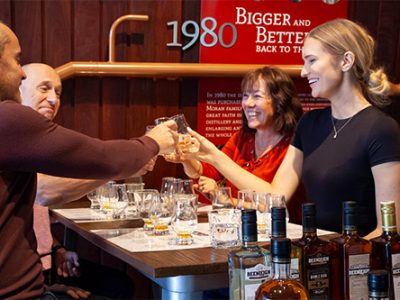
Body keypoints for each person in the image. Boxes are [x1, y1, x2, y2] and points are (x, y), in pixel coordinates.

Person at [0, 21, 178, 299]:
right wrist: (153, 142)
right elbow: (103, 159)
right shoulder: (8, 119)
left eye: (57, 91)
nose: (21, 73)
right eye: (16, 59)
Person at [181, 18, 400, 239]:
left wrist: (342, 258)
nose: (304, 72)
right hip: (313, 254)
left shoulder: (381, 129)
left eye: (311, 60)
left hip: (355, 263)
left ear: (346, 61)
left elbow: (389, 230)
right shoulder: (309, 123)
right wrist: (214, 157)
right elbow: (276, 197)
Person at [20, 63, 153, 299]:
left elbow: (32, 217)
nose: (53, 99)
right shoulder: (14, 137)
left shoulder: (41, 141)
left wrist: (58, 249)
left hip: (44, 265)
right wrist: (119, 169)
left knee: (120, 284)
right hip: (24, 279)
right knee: (117, 289)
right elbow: (44, 191)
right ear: (18, 88)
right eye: (44, 89)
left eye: (58, 92)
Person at [167, 66, 305, 221]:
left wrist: (226, 200)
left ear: (280, 102)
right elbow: (207, 172)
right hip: (240, 226)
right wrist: (186, 158)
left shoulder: (295, 143)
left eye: (257, 96)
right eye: (245, 96)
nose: (248, 103)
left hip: (283, 232)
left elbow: (274, 203)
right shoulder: (243, 137)